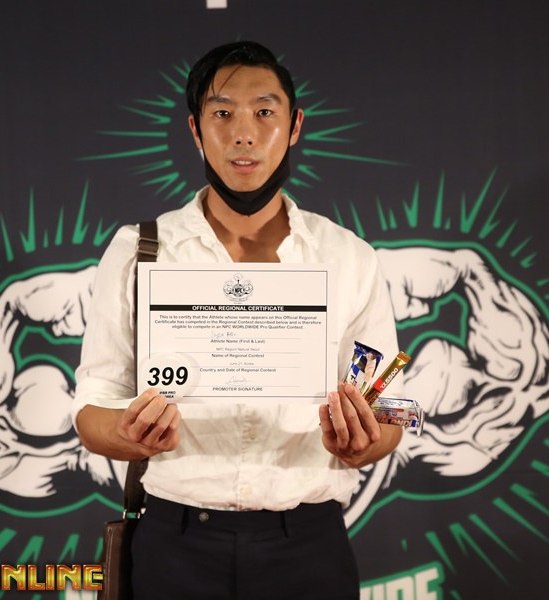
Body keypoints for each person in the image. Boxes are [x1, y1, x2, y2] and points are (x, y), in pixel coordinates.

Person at [72, 41, 403, 599]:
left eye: (264, 112)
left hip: (309, 545)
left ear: (295, 126)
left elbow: (389, 407)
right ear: (196, 130)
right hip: (174, 544)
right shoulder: (139, 251)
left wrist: (363, 442)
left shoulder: (349, 257)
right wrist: (127, 435)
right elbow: (91, 407)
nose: (244, 134)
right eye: (222, 113)